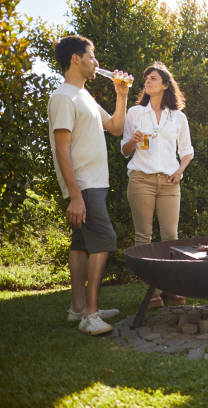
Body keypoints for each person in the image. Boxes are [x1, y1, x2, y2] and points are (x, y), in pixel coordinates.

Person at [48, 35, 130, 335]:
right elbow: (62, 149)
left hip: (94, 184)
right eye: (92, 57)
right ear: (76, 59)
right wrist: (75, 196)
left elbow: (116, 127)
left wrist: (121, 95)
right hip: (82, 185)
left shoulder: (85, 96)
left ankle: (77, 308)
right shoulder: (63, 97)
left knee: (81, 244)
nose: (96, 63)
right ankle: (91, 315)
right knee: (105, 239)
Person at [121, 62, 194, 308]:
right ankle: (150, 293)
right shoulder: (135, 113)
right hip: (141, 179)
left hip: (169, 182)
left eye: (153, 78)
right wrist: (132, 139)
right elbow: (124, 150)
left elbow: (187, 151)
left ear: (165, 84)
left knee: (170, 237)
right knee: (143, 237)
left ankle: (172, 290)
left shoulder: (178, 117)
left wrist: (179, 171)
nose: (147, 82)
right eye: (146, 79)